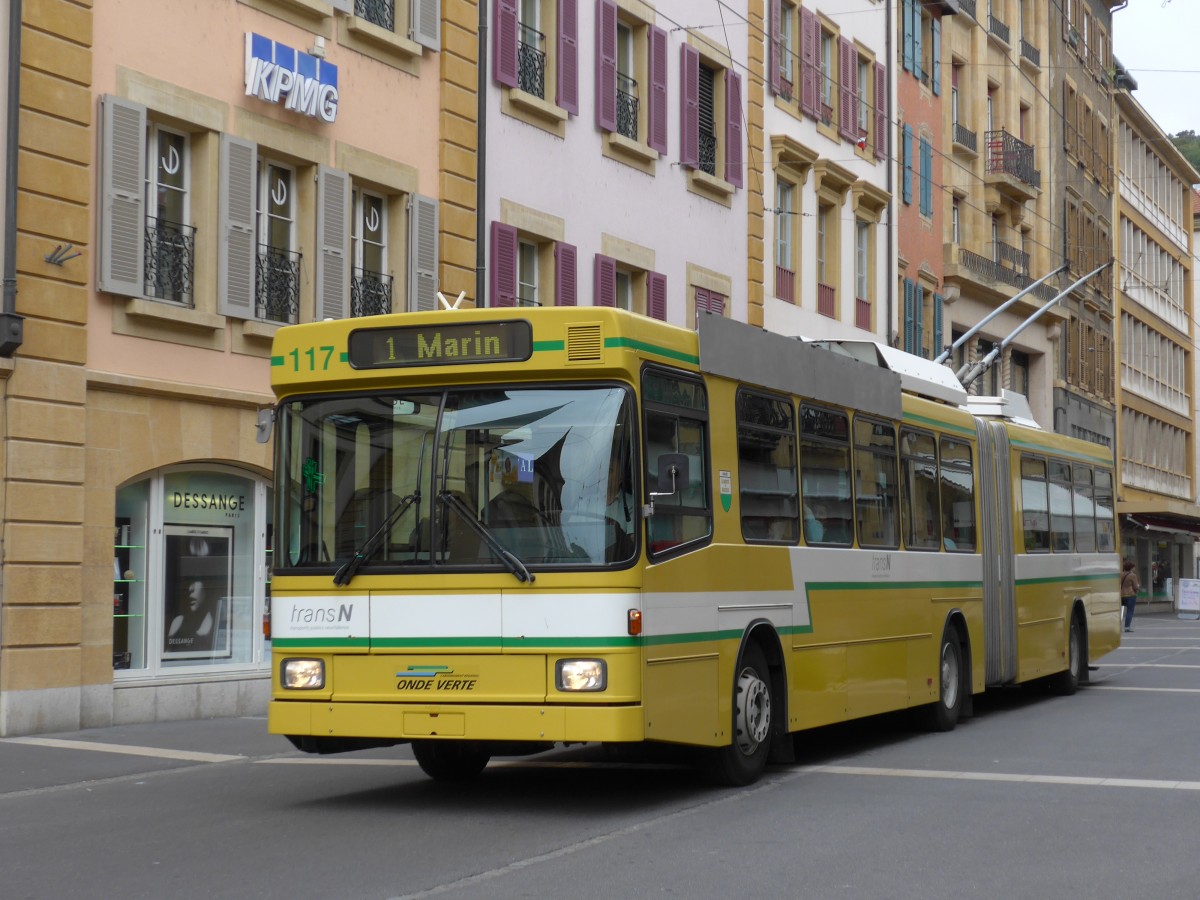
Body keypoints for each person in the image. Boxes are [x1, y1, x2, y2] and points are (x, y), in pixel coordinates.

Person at [1120, 559, 1139, 633]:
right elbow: (1135, 586)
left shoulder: (1121, 574)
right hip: (1130, 595)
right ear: (1131, 567)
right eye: (1133, 567)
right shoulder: (1133, 575)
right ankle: (1127, 627)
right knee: (1129, 611)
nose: (1134, 568)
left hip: (1121, 595)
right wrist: (1138, 588)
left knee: (1119, 611)